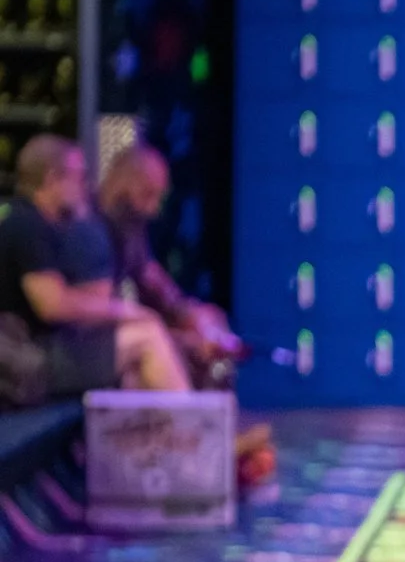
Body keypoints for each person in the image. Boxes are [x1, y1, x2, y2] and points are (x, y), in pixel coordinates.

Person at [0, 136, 189, 405]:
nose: (86, 186)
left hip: (39, 352)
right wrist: (126, 311)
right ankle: (199, 426)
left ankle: (167, 429)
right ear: (53, 179)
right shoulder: (27, 225)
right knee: (147, 336)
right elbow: (53, 305)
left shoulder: (36, 223)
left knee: (138, 363)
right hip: (28, 362)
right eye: (79, 177)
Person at [96, 143, 243, 390]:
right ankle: (190, 413)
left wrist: (186, 312)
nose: (154, 209)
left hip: (126, 324)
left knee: (210, 321)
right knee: (175, 345)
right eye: (148, 194)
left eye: (159, 197)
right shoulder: (94, 228)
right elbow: (100, 308)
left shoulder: (132, 225)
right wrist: (181, 336)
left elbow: (150, 275)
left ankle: (212, 410)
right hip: (100, 334)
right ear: (125, 183)